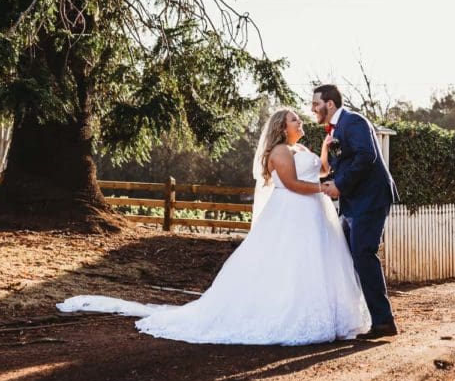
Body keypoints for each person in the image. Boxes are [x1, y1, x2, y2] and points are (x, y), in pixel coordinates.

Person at [56, 109, 371, 345]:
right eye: (295, 121)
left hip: (314, 212)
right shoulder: (279, 151)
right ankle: (284, 313)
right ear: (282, 127)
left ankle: (325, 315)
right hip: (292, 210)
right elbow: (290, 183)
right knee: (285, 262)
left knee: (315, 263)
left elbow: (322, 170)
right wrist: (324, 190)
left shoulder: (302, 150)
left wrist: (326, 151)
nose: (300, 123)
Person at [312, 84, 399, 339]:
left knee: (363, 253)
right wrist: (333, 182)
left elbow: (366, 156)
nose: (313, 109)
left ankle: (384, 322)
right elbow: (347, 162)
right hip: (354, 201)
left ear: (330, 104)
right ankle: (360, 315)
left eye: (316, 104)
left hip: (370, 199)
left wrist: (339, 185)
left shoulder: (354, 121)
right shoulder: (336, 129)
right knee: (347, 254)